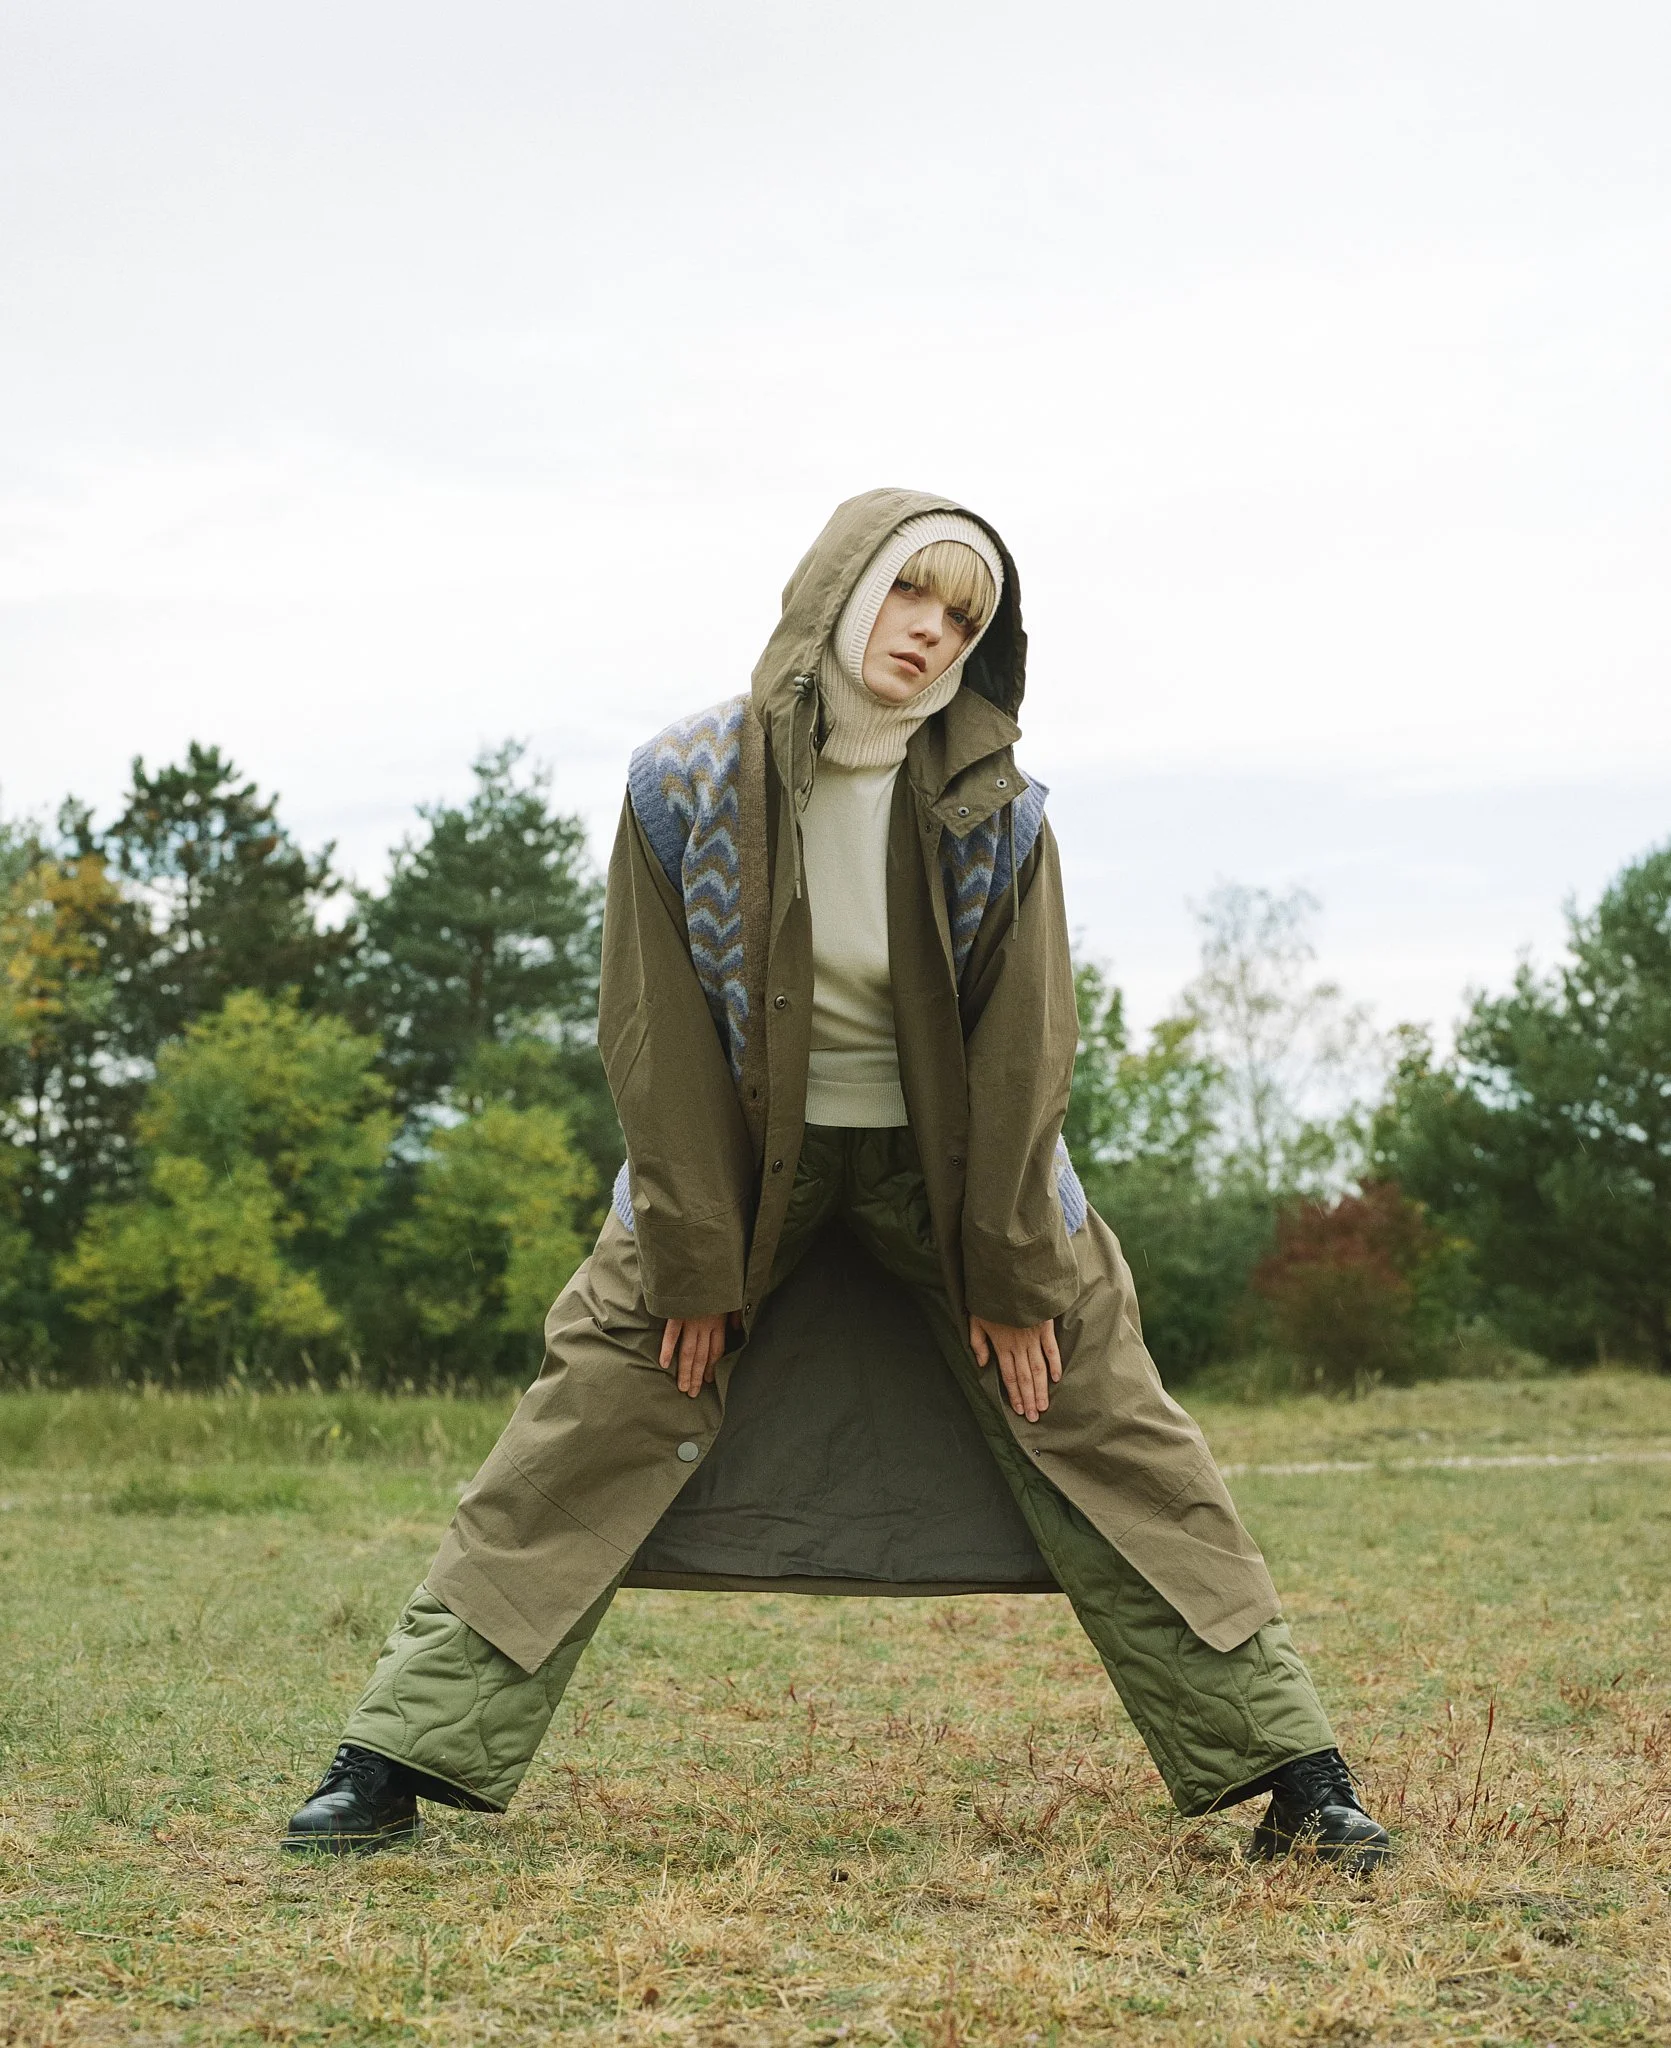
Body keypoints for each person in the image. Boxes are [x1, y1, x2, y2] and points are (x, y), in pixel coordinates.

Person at [284, 488, 1390, 1875]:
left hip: (969, 1173)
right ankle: (385, 1764)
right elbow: (654, 1034)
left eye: (961, 617)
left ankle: (1301, 1779)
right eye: (907, 597)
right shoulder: (680, 782)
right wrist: (691, 1257)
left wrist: (1008, 1271)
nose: (928, 634)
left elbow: (1023, 1050)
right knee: (594, 1406)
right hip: (733, 1171)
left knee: (1105, 1418)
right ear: (836, 596)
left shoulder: (1000, 808)